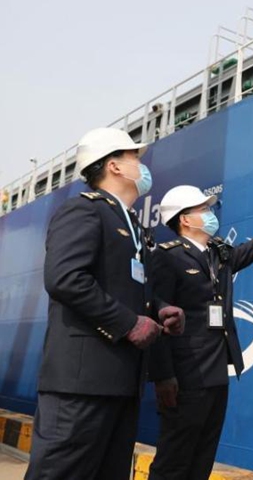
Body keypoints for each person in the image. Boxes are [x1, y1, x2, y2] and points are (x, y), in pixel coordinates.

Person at [25, 127, 185, 480]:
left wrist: (158, 308)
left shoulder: (133, 226)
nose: (142, 167)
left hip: (121, 382)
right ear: (114, 166)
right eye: (135, 158)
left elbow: (127, 286)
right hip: (81, 385)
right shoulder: (84, 211)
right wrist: (129, 324)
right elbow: (65, 278)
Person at [147, 184, 253, 480]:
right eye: (203, 210)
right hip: (184, 377)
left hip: (216, 373)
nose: (210, 215)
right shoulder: (167, 257)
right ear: (184, 219)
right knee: (174, 459)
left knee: (202, 457)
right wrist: (162, 377)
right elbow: (156, 319)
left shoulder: (218, 254)